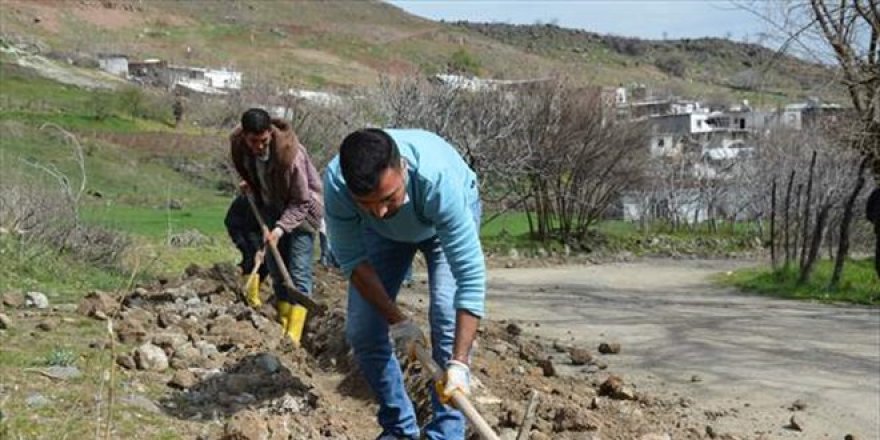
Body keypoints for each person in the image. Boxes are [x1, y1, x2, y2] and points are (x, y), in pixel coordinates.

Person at [324, 128, 485, 440]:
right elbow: (353, 261)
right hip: (381, 237)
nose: (381, 211)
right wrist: (397, 321)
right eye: (367, 203)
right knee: (363, 330)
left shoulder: (437, 180)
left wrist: (460, 363)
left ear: (403, 168)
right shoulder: (337, 185)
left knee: (445, 315)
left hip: (438, 222)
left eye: (388, 198)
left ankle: (447, 433)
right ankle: (399, 428)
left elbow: (470, 277)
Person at [230, 108, 323, 343]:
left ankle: (293, 336)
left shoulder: (290, 156)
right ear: (245, 136)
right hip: (272, 206)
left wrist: (280, 229)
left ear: (270, 133)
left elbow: (301, 201)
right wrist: (251, 185)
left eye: (263, 141)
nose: (259, 146)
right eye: (254, 141)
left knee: (298, 271)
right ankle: (283, 322)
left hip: (303, 212)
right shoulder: (240, 147)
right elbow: (254, 173)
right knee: (275, 267)